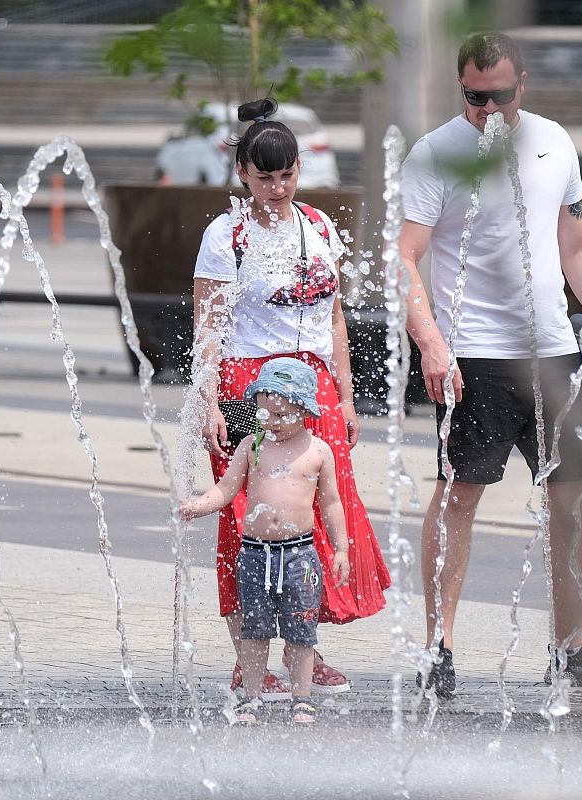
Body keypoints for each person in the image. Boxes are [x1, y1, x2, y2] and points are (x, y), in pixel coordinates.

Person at [398, 32, 582, 695]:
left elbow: (577, 240)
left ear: (523, 85)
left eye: (499, 96)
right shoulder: (437, 156)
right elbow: (405, 258)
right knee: (460, 496)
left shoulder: (552, 142)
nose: (487, 110)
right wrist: (430, 341)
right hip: (473, 354)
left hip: (554, 354)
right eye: (474, 98)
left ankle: (574, 646)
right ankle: (439, 648)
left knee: (574, 500)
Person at [192, 96, 391, 700]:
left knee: (313, 519)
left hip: (315, 390)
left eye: (287, 174)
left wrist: (348, 399)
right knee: (248, 519)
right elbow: (208, 328)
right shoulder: (226, 235)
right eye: (265, 176)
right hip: (247, 384)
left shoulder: (320, 227)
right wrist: (207, 408)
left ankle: (304, 652)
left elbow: (334, 320)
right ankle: (245, 658)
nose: (277, 188)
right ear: (243, 173)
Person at [180, 358, 351, 725]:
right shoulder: (251, 445)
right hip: (255, 554)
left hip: (299, 555)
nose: (270, 421)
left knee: (301, 630)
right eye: (265, 412)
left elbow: (332, 502)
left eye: (281, 414)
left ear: (304, 410)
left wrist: (341, 549)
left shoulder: (318, 451)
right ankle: (252, 697)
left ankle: (302, 698)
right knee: (254, 629)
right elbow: (226, 489)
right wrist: (198, 505)